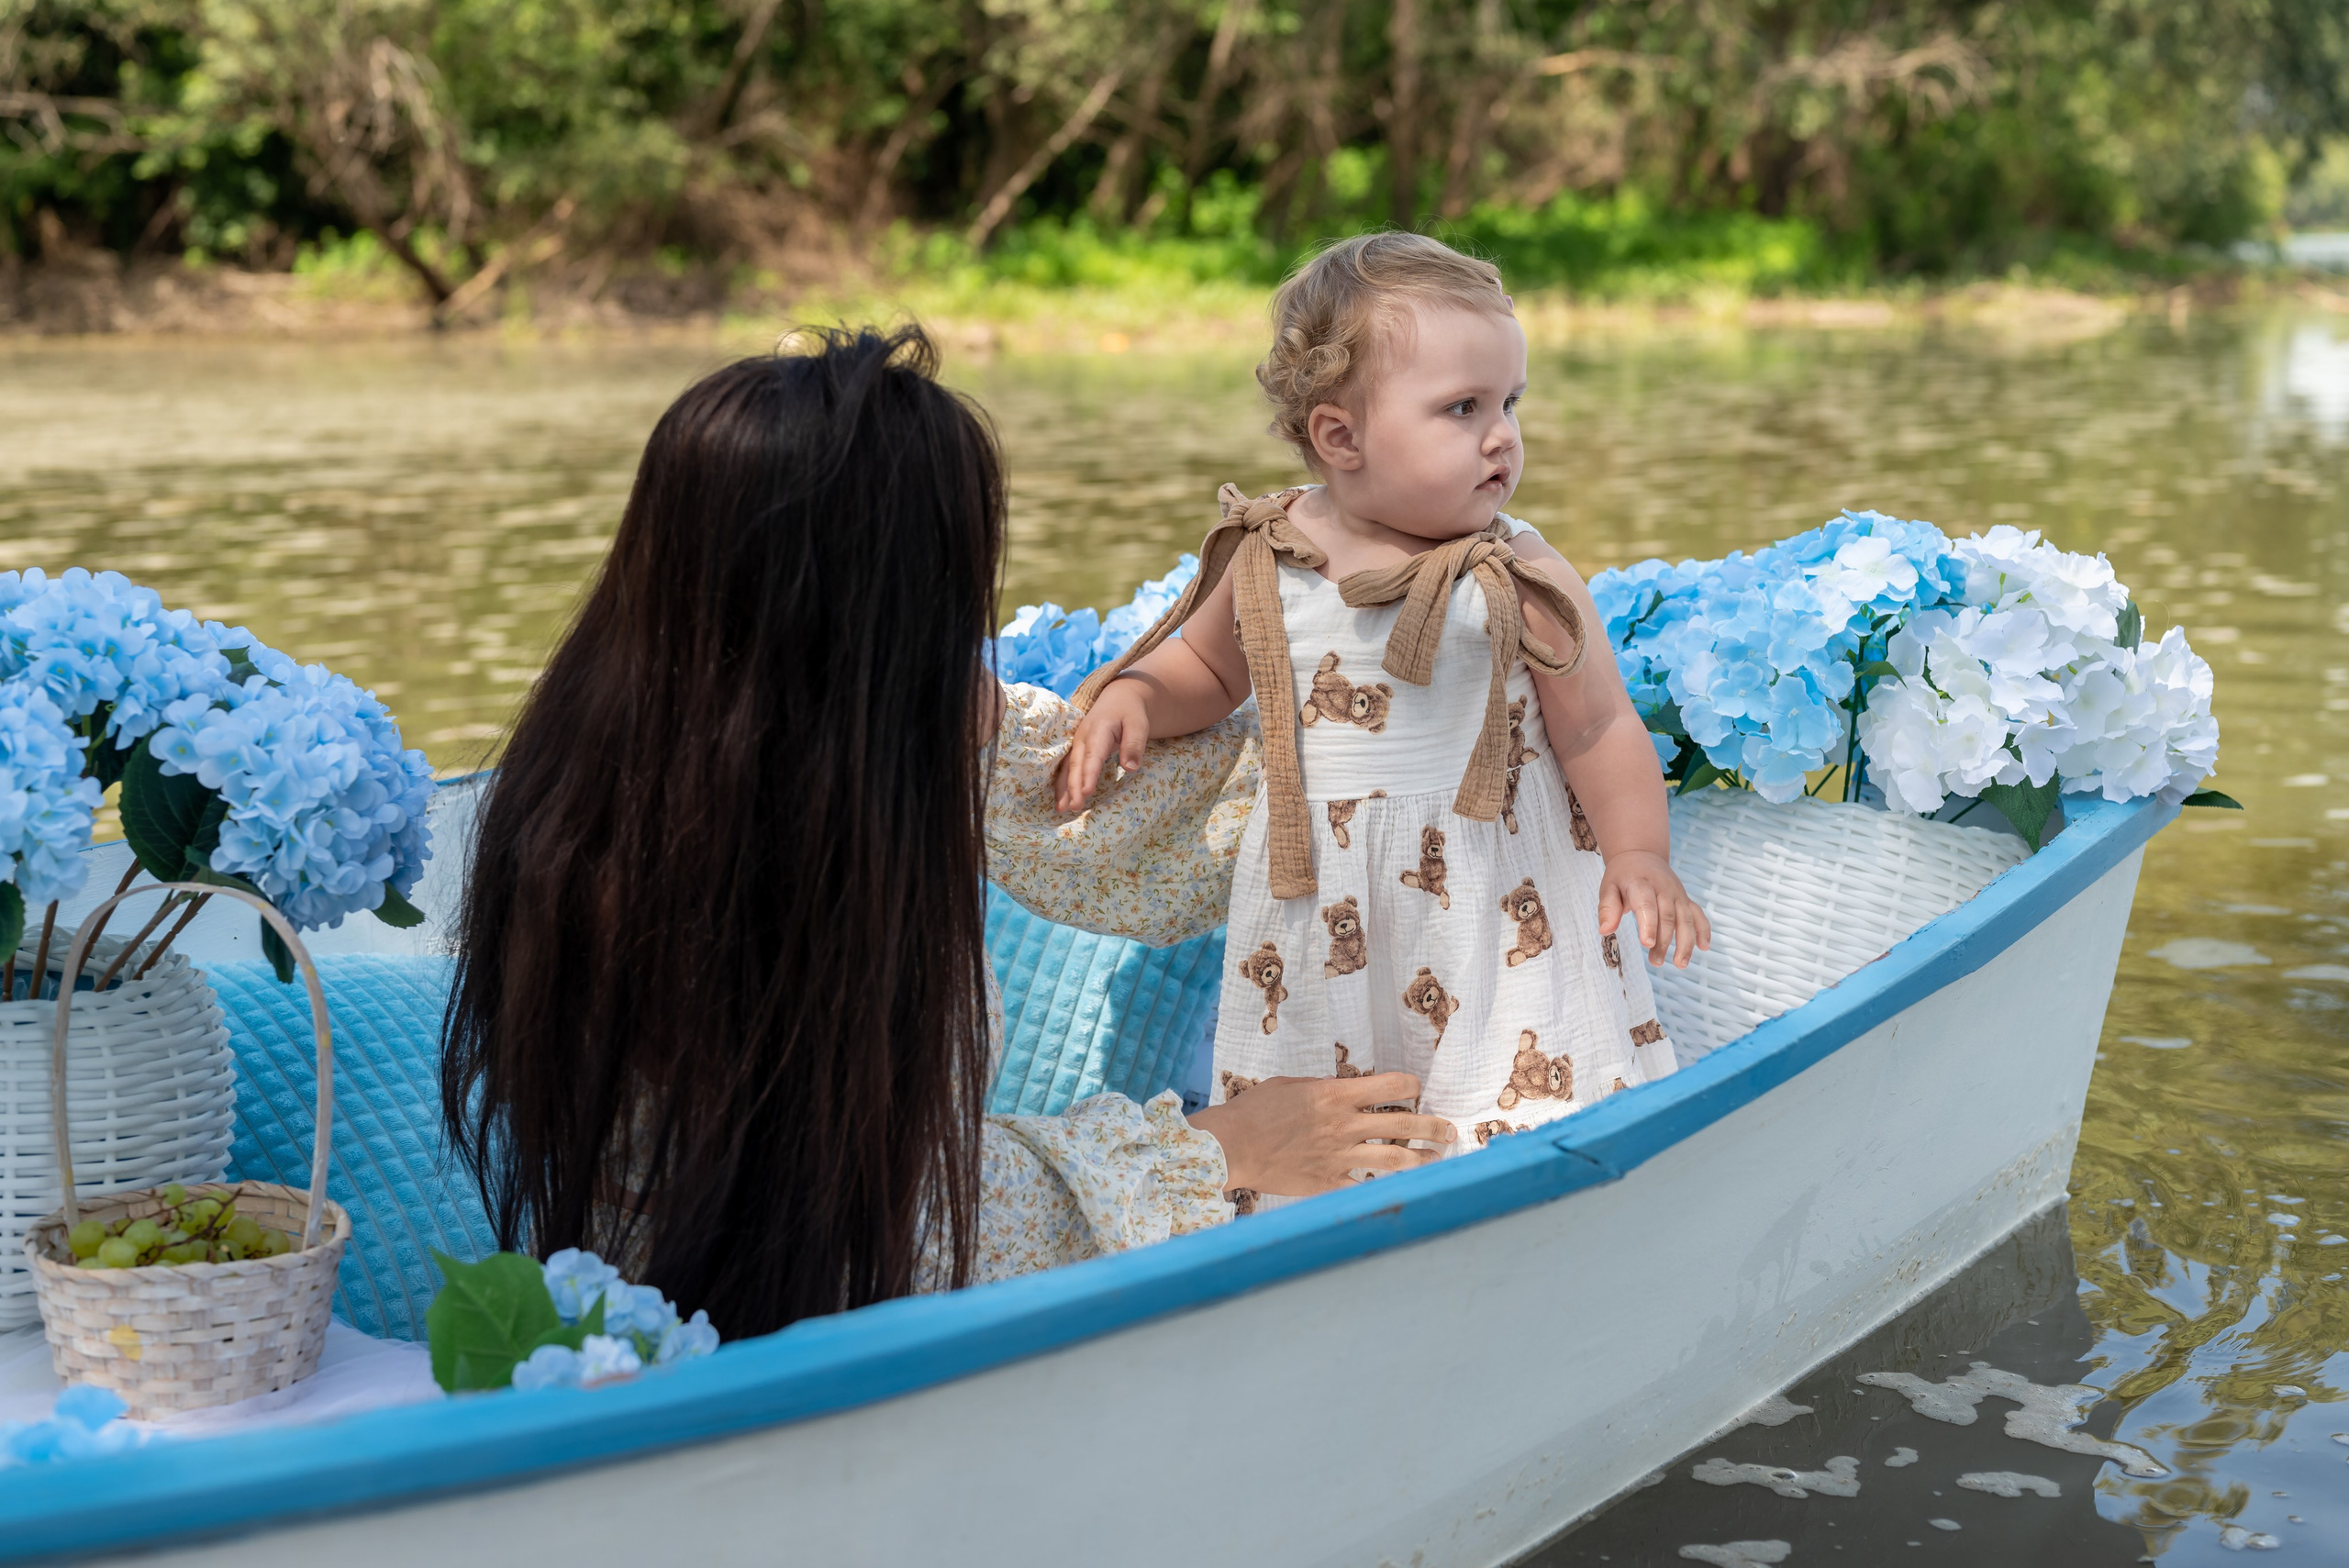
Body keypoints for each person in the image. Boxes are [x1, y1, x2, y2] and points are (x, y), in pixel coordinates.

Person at [440, 325, 1455, 1340]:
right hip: (776, 1343)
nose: (975, 658)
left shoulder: (676, 747)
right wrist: (1212, 1149)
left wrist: (1392, 726)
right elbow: (885, 1237)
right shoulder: (687, 893)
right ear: (857, 633)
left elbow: (1106, 821)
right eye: (949, 607)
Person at [1056, 234, 1709, 1195]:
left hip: (1492, 900)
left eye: (1509, 403)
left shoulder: (1514, 568)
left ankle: (1527, 1211)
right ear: (1338, 436)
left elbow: (1595, 726)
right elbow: (1204, 662)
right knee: (1332, 1127)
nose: (1502, 436)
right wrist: (1137, 692)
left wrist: (1639, 854)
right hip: (1324, 902)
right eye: (1462, 408)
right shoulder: (1272, 552)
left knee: (1511, 1095)